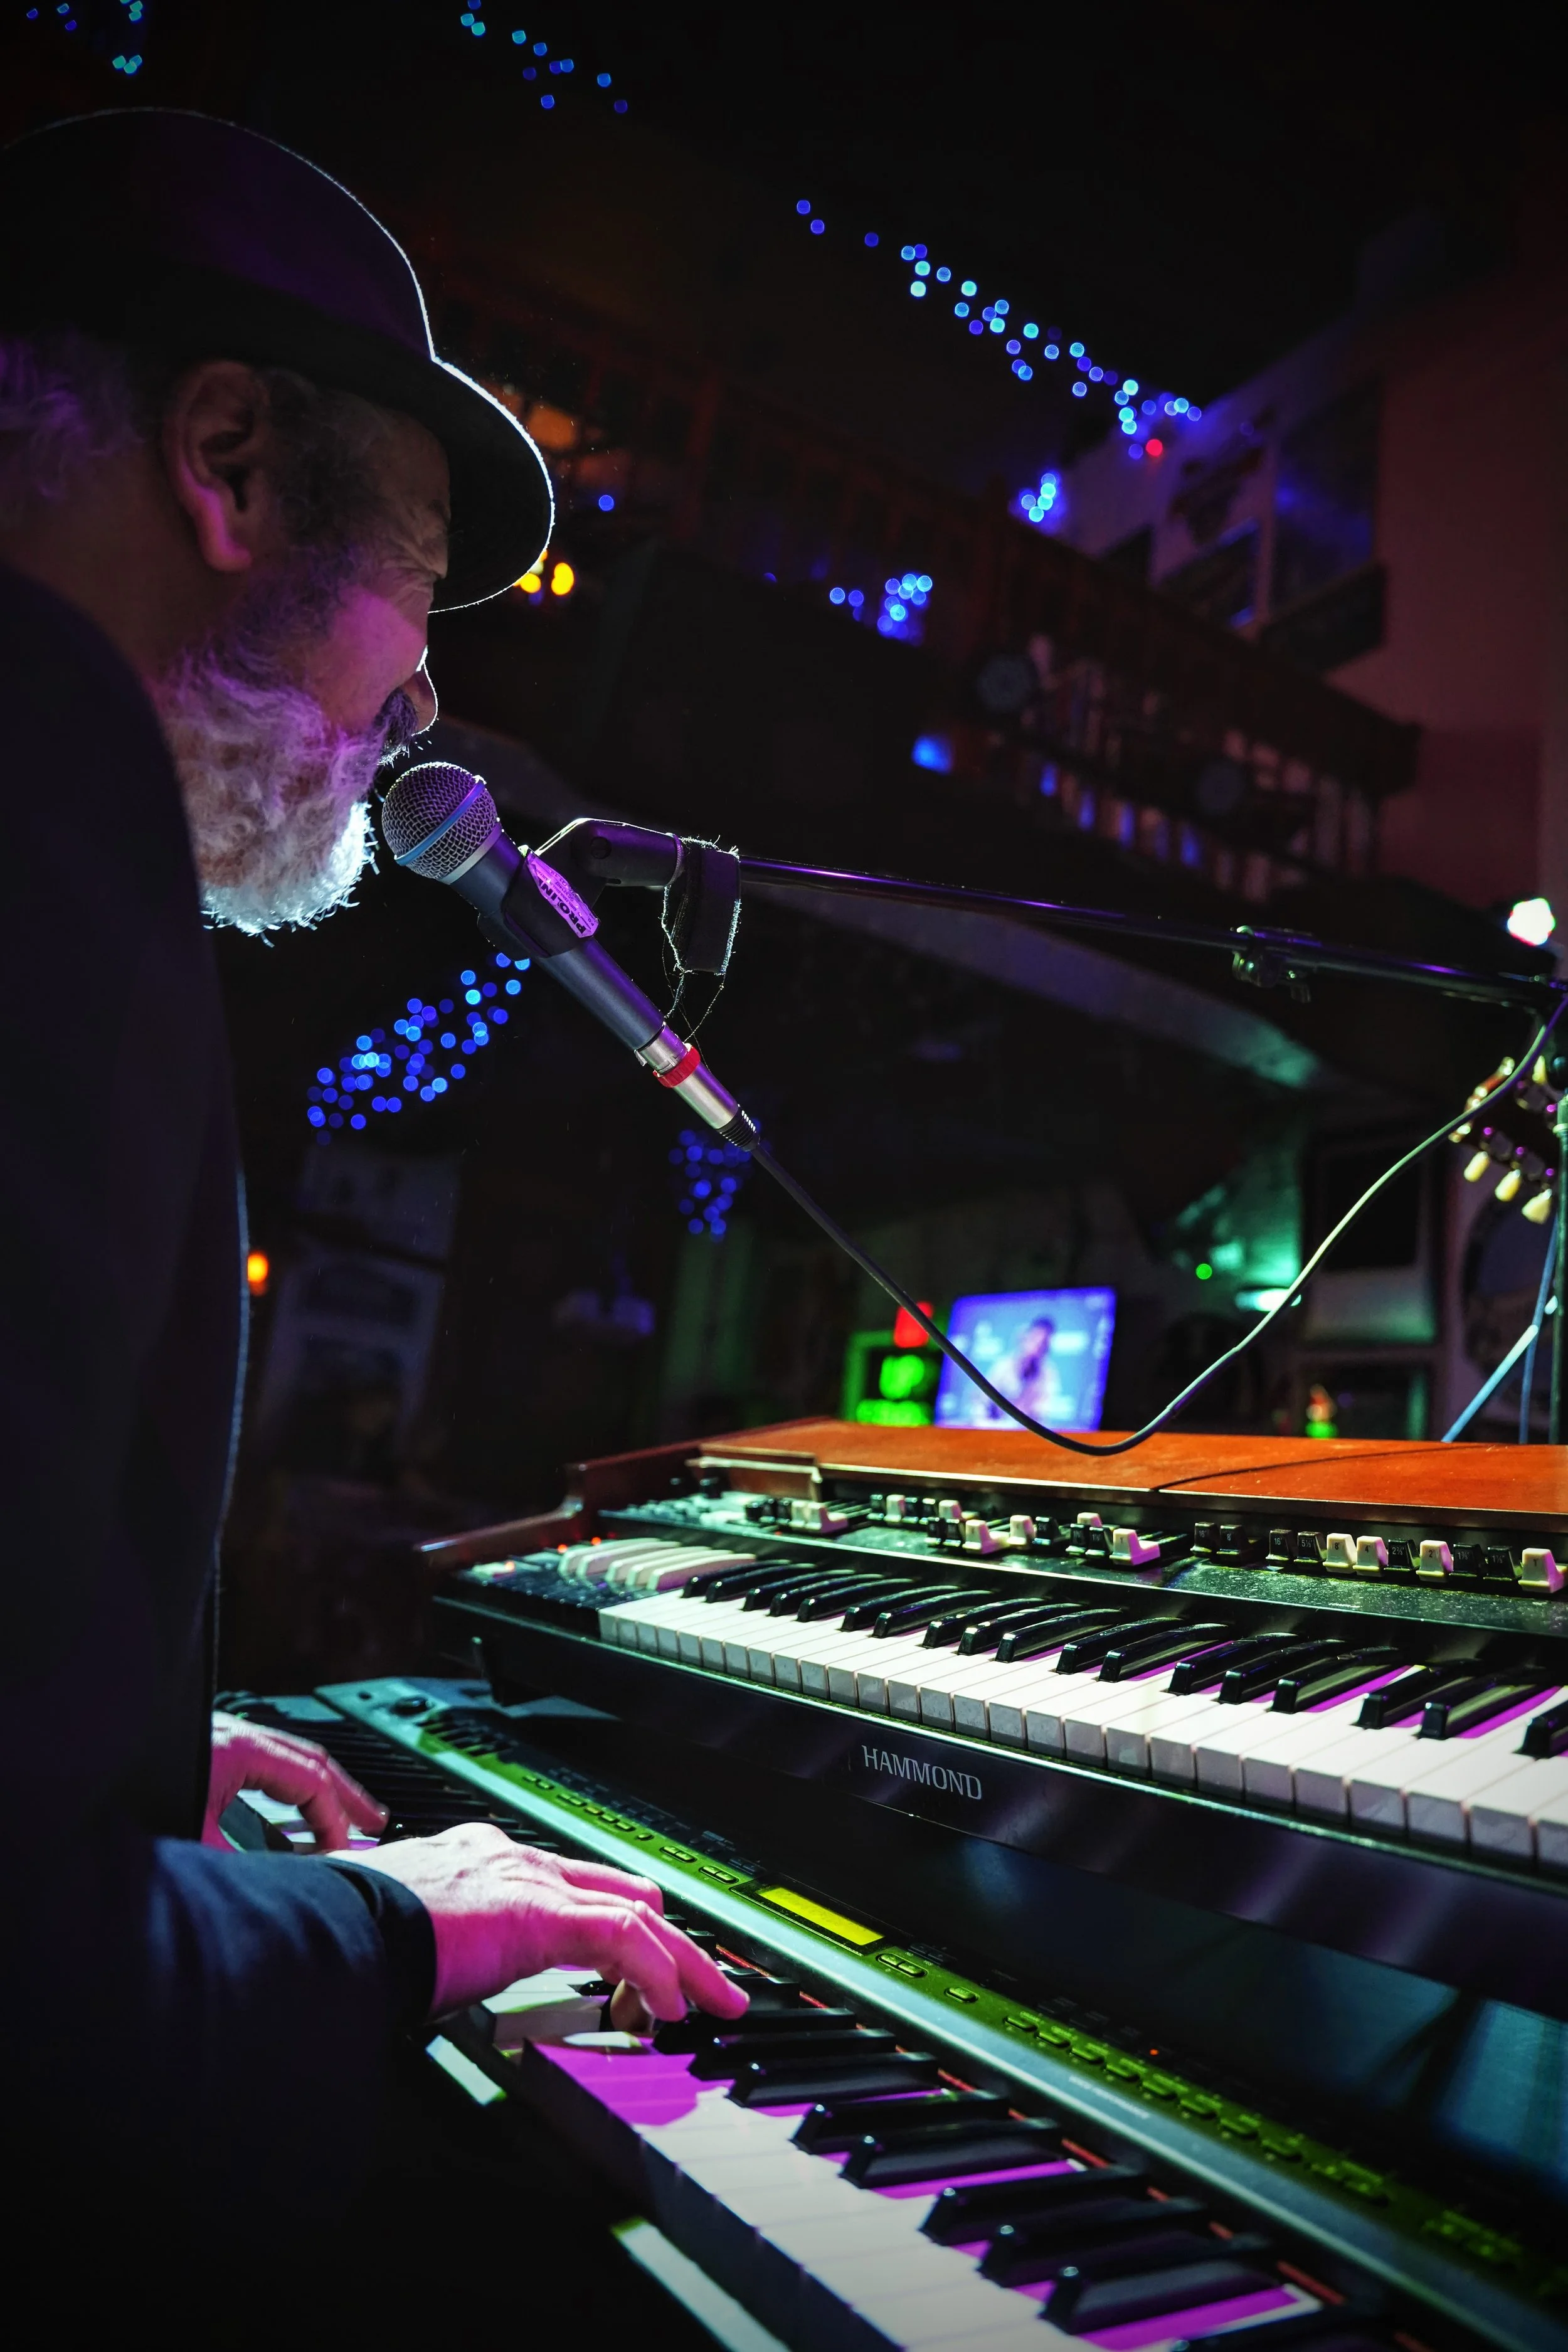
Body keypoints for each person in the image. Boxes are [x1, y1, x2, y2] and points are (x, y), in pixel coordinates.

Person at [0, 109, 744, 2239]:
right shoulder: (45, 807)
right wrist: (392, 1926)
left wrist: (135, 1756)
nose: (424, 686)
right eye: (419, 580)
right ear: (225, 462)